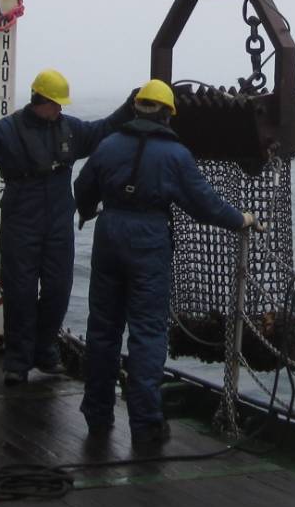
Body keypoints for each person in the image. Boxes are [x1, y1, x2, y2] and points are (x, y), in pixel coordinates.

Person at [74, 79, 256, 454]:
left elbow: (83, 185)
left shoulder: (108, 145)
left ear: (137, 108)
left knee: (103, 329)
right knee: (146, 333)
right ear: (169, 114)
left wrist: (90, 209)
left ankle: (97, 415)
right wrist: (241, 219)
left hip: (109, 235)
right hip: (148, 240)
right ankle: (145, 426)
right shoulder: (175, 156)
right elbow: (203, 203)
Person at [0, 68, 130, 385]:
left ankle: (44, 349)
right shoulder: (7, 132)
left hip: (58, 221)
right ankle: (17, 362)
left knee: (59, 289)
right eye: (56, 104)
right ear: (41, 101)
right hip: (21, 220)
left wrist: (128, 107)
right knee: (20, 293)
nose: (60, 109)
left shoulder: (69, 129)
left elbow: (102, 130)